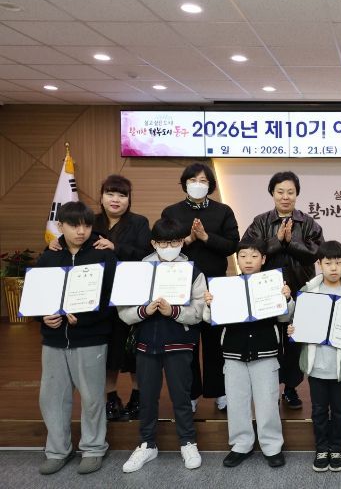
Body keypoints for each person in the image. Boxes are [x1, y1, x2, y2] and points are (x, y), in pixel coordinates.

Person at [51, 175, 151, 421]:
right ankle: (111, 398)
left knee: (134, 350)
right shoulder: (90, 221)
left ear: (129, 199)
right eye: (110, 193)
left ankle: (138, 398)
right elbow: (72, 242)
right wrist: (56, 242)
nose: (115, 199)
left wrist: (115, 247)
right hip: (97, 296)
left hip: (131, 294)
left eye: (122, 195)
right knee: (108, 351)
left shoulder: (139, 222)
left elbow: (146, 255)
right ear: (102, 196)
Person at [119, 218, 207, 473]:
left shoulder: (193, 271)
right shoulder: (139, 270)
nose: (169, 247)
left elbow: (200, 310)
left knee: (182, 396)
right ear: (153, 243)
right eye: (164, 243)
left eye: (175, 242)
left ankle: (188, 442)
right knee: (147, 397)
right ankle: (147, 444)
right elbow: (123, 311)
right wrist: (144, 311)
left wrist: (174, 311)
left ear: (182, 242)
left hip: (180, 342)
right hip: (147, 342)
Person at [36, 201, 117, 475]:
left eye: (86, 225)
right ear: (60, 226)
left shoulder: (103, 255)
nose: (81, 231)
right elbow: (37, 296)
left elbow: (111, 299)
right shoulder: (49, 256)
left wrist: (85, 319)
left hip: (91, 337)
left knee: (93, 397)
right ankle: (58, 450)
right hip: (54, 339)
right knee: (52, 397)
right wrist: (43, 317)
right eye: (74, 225)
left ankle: (93, 448)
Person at [203, 239, 293, 470]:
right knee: (236, 402)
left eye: (254, 256)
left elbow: (285, 317)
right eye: (243, 256)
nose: (248, 261)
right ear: (237, 259)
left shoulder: (273, 284)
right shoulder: (224, 287)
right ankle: (241, 445)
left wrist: (287, 298)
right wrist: (210, 304)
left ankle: (272, 446)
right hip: (233, 353)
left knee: (267, 402)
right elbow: (209, 319)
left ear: (263, 259)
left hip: (266, 352)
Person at [287, 240, 341, 473]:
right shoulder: (308, 292)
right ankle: (321, 448)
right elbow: (295, 321)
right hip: (316, 365)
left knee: (340, 410)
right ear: (319, 264)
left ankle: (336, 448)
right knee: (318, 410)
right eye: (328, 263)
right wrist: (294, 329)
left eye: (338, 262)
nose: (334, 267)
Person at [162, 163, 239, 412]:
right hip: (182, 284)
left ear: (211, 185)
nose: (198, 184)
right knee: (188, 343)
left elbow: (233, 245)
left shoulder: (223, 211)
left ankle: (219, 391)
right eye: (193, 180)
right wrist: (188, 239)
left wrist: (206, 237)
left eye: (203, 180)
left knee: (215, 341)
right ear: (185, 183)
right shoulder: (171, 211)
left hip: (216, 284)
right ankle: (192, 392)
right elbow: (163, 244)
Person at [242, 171, 324, 409]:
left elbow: (315, 254)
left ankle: (290, 388)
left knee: (294, 341)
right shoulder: (260, 222)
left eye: (290, 192)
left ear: (297, 194)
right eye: (280, 192)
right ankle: (268, 388)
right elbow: (248, 250)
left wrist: (291, 242)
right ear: (272, 193)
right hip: (266, 293)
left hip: (300, 290)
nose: (285, 197)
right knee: (269, 340)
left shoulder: (308, 223)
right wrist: (277, 240)